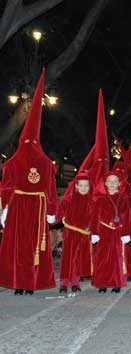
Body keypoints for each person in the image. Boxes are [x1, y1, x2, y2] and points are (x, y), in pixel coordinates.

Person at [0, 70, 57, 295]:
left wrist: (50, 209)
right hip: (18, 207)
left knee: (33, 246)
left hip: (36, 207)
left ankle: (30, 282)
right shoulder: (14, 162)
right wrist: (4, 208)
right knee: (18, 245)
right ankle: (18, 280)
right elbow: (6, 185)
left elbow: (50, 187)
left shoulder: (44, 163)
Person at [90, 171, 131, 293]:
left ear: (119, 184)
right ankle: (102, 283)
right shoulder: (100, 199)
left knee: (117, 259)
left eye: (115, 181)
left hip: (118, 232)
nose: (112, 183)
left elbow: (127, 216)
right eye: (109, 181)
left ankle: (116, 283)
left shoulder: (123, 199)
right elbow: (95, 217)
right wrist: (94, 232)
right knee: (102, 258)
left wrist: (126, 232)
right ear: (105, 184)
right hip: (103, 231)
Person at [57, 173, 94, 293]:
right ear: (76, 186)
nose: (83, 188)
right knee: (67, 257)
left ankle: (75, 283)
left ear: (89, 187)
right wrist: (54, 218)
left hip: (84, 234)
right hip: (70, 233)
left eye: (86, 186)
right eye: (81, 185)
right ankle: (63, 283)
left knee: (78, 259)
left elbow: (95, 218)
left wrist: (93, 231)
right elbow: (60, 211)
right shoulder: (69, 199)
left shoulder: (92, 201)